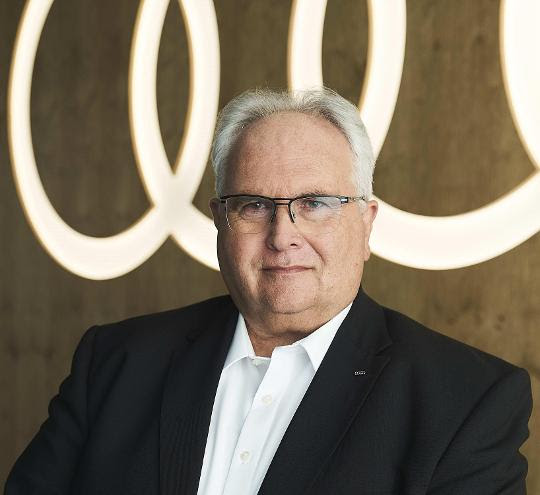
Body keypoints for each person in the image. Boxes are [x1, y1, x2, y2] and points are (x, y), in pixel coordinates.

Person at [5, 88, 532, 494]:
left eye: (316, 203)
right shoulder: (115, 363)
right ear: (220, 220)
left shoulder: (465, 401)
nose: (284, 237)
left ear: (366, 223)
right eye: (254, 205)